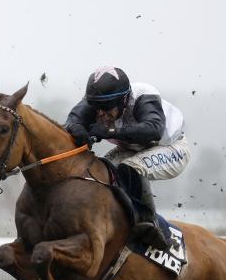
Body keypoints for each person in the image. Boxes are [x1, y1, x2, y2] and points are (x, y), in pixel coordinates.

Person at [64, 66, 191, 250]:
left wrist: (110, 131)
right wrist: (78, 130)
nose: (100, 113)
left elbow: (153, 129)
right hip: (131, 148)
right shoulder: (99, 101)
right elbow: (72, 121)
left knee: (130, 168)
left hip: (170, 147)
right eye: (96, 107)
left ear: (123, 100)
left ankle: (150, 225)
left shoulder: (143, 95)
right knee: (98, 172)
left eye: (106, 108)